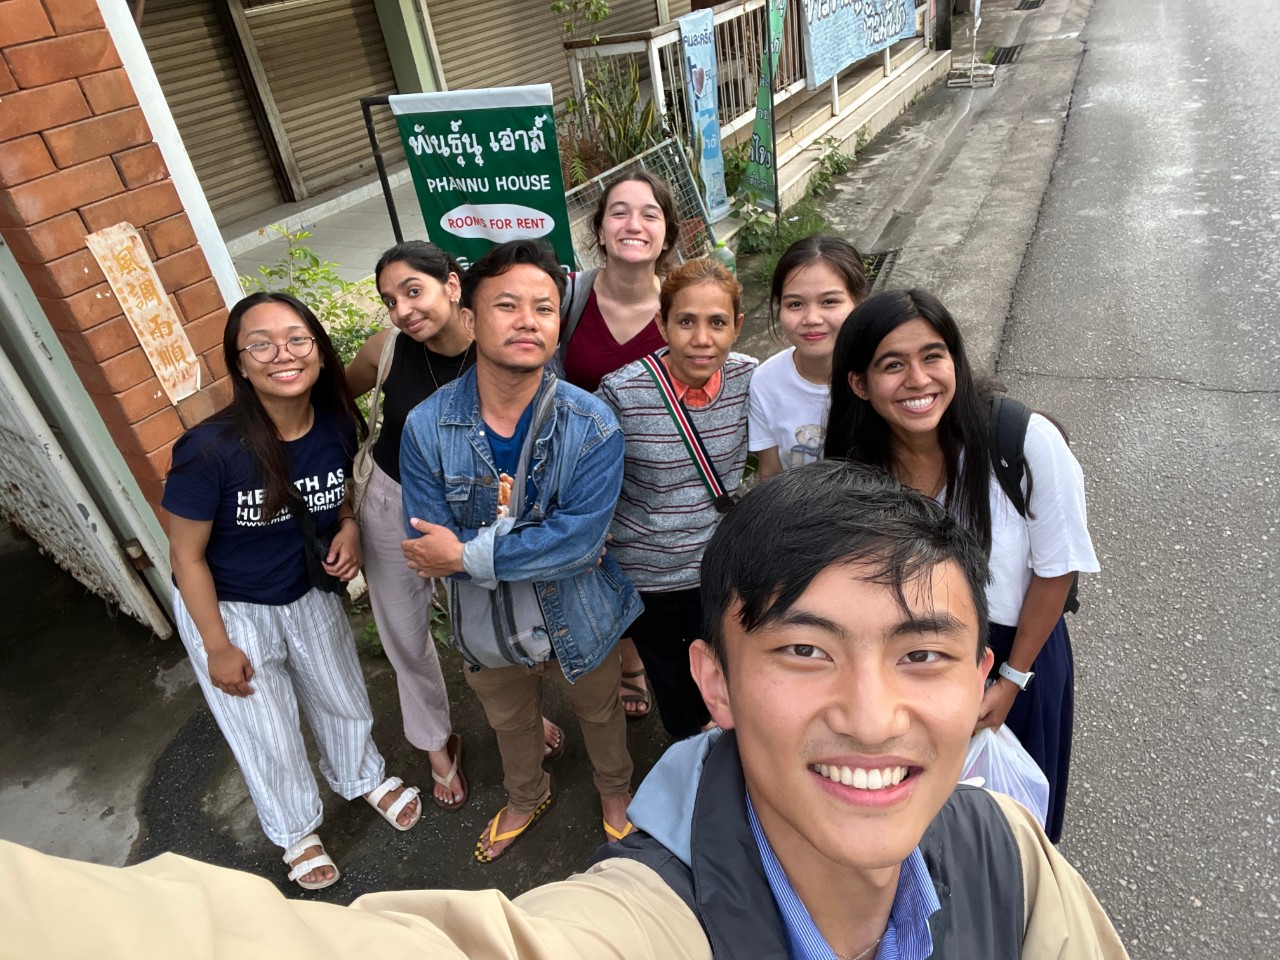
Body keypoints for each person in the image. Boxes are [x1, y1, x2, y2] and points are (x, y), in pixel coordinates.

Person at [0, 462, 1130, 960]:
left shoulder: (1007, 857)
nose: (875, 714)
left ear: (974, 674)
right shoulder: (647, 924)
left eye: (921, 653)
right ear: (713, 687)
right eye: (803, 650)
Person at [162, 292, 421, 891]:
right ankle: (297, 831)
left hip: (306, 589)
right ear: (240, 362)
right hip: (229, 607)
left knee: (341, 693)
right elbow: (186, 555)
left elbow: (344, 486)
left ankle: (360, 776)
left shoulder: (333, 419)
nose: (283, 354)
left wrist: (350, 526)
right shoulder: (209, 450)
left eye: (297, 339)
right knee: (266, 728)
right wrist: (217, 645)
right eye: (261, 343)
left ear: (319, 351)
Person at [823, 289, 1100, 843]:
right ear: (859, 383)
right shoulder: (855, 470)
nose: (919, 380)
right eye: (892, 365)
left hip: (1017, 652)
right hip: (908, 661)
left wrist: (1010, 680)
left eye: (933, 356)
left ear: (955, 360)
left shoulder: (1024, 443)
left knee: (1012, 821)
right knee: (914, 816)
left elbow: (1056, 569)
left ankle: (1018, 911)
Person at [398, 239, 640, 860]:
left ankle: (616, 795)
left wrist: (469, 556)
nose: (528, 320)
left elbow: (580, 544)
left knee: (601, 711)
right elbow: (427, 538)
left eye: (544, 307)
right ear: (472, 321)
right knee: (509, 723)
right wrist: (517, 544)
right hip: (486, 627)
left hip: (581, 614)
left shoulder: (593, 425)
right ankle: (527, 797)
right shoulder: (427, 425)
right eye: (507, 305)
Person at [346, 242, 564, 810]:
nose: (402, 311)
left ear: (452, 286)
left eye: (412, 291)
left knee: (492, 616)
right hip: (393, 503)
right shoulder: (388, 350)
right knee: (403, 632)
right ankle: (436, 744)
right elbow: (332, 402)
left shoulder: (499, 347)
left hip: (475, 505)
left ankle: (522, 716)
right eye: (389, 301)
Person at [597, 259, 754, 740]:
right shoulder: (621, 393)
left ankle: (741, 768)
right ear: (662, 324)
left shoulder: (752, 381)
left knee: (734, 678)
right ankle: (695, 774)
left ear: (737, 326)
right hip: (651, 576)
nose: (702, 339)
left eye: (717, 322)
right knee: (676, 686)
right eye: (686, 321)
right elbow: (595, 486)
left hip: (723, 567)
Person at [557, 169, 682, 720]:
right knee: (597, 571)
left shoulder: (684, 303)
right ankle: (628, 664)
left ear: (667, 233)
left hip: (660, 471)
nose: (634, 224)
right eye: (620, 212)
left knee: (648, 577)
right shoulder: (567, 297)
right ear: (600, 229)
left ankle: (647, 657)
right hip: (582, 472)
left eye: (649, 213)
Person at [748, 234, 869, 481]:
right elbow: (770, 477)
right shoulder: (765, 382)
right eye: (795, 304)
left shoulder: (883, 372)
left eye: (829, 301)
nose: (812, 318)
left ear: (860, 302)